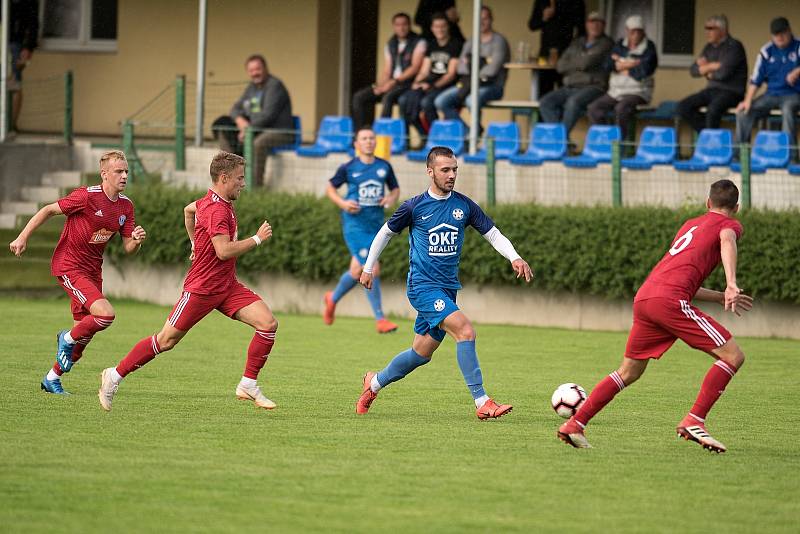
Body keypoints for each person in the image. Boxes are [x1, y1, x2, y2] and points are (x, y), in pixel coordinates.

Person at [558, 179, 753, 453]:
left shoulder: (690, 225)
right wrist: (731, 282)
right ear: (737, 207)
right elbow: (727, 240)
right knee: (733, 356)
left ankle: (575, 424)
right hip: (670, 300)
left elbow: (684, 277)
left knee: (629, 371)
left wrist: (720, 296)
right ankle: (694, 420)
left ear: (708, 203)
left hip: (647, 297)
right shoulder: (729, 226)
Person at [354, 146, 533, 419]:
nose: (451, 175)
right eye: (445, 170)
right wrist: (368, 268)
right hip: (422, 288)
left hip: (448, 289)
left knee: (420, 353)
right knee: (465, 331)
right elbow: (385, 233)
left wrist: (515, 257)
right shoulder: (414, 206)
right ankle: (482, 402)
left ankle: (374, 383)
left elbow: (493, 234)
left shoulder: (464, 205)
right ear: (430, 172)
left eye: (454, 170)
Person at [98, 152, 279, 412]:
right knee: (166, 341)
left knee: (268, 324)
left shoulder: (210, 201)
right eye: (240, 178)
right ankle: (114, 375)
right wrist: (258, 238)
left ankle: (248, 383)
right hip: (202, 289)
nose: (243, 183)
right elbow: (223, 251)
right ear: (224, 178)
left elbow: (188, 211)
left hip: (227, 286)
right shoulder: (216, 208)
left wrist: (194, 242)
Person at [8, 151, 146, 395]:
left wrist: (135, 240)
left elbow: (128, 248)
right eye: (119, 171)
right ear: (104, 174)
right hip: (70, 266)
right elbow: (48, 210)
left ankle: (51, 379)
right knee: (105, 315)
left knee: (84, 336)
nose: (124, 175)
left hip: (93, 271)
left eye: (126, 171)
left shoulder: (126, 205)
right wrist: (22, 236)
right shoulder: (86, 196)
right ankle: (66, 337)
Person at [323, 127, 401, 334]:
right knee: (371, 269)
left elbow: (395, 189)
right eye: (364, 138)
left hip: (376, 225)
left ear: (376, 143)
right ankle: (380, 319)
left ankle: (333, 298)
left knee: (357, 270)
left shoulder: (384, 166)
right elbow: (330, 188)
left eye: (371, 138)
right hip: (355, 225)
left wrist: (390, 199)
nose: (368, 141)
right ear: (357, 144)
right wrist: (343, 203)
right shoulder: (348, 167)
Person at [212, 54, 293, 186]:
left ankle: (255, 187)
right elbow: (235, 108)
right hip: (255, 129)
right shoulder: (252, 87)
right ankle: (230, 180)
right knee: (224, 130)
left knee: (257, 143)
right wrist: (240, 121)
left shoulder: (275, 86)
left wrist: (247, 130)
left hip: (279, 131)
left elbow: (268, 115)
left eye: (258, 69)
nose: (255, 73)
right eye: (251, 70)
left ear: (265, 68)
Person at [539, 11, 613, 137]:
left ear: (604, 25)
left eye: (598, 22)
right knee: (546, 102)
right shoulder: (577, 42)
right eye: (592, 22)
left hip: (593, 87)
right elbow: (560, 65)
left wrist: (573, 63)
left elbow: (586, 63)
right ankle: (562, 139)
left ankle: (559, 141)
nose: (595, 25)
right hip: (570, 86)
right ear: (586, 25)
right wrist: (578, 63)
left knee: (572, 102)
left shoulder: (606, 43)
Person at [434, 6, 510, 128]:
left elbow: (492, 70)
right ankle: (468, 133)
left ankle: (474, 135)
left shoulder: (499, 41)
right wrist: (483, 63)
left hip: (492, 86)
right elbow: (460, 67)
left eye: (485, 18)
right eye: (479, 19)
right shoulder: (472, 41)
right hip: (469, 85)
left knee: (471, 101)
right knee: (441, 101)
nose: (482, 22)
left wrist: (470, 63)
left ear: (491, 20)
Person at [587, 15, 658, 140]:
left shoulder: (649, 47)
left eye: (639, 31)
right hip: (615, 91)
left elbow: (643, 72)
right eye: (632, 32)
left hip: (638, 92)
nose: (635, 35)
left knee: (621, 108)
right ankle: (604, 141)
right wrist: (631, 64)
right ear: (627, 31)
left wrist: (622, 64)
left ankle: (621, 145)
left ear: (643, 32)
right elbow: (607, 65)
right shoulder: (620, 44)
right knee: (594, 108)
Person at [735, 17, 800, 153]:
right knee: (743, 112)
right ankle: (741, 154)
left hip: (793, 94)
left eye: (783, 33)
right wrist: (747, 101)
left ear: (789, 31)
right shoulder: (766, 51)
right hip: (771, 95)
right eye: (776, 34)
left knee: (788, 110)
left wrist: (797, 70)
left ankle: (789, 156)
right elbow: (755, 79)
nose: (779, 37)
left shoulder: (798, 45)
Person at [352, 13, 427, 129]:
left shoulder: (419, 41)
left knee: (388, 97)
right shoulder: (391, 43)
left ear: (409, 25)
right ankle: (361, 134)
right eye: (398, 25)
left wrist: (393, 82)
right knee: (359, 97)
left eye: (404, 24)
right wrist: (380, 86)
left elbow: (415, 67)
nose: (401, 28)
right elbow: (387, 69)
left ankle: (382, 135)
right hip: (392, 83)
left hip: (408, 84)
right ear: (393, 26)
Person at [677, 15, 747, 132]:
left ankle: (711, 143)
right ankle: (707, 134)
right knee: (683, 107)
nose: (707, 32)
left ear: (722, 30)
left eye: (711, 29)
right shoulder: (709, 47)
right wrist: (711, 66)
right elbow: (693, 70)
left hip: (732, 92)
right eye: (706, 28)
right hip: (712, 90)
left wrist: (705, 69)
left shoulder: (734, 46)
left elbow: (723, 74)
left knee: (713, 110)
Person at [400, 12, 461, 140]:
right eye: (436, 27)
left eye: (442, 26)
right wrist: (417, 82)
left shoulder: (455, 44)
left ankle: (437, 137)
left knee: (426, 102)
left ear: (448, 27)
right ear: (432, 28)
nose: (440, 29)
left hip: (446, 86)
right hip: (429, 84)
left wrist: (432, 85)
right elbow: (424, 70)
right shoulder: (431, 45)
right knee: (405, 100)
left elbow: (450, 74)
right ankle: (424, 136)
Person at [528, 0, 586, 96]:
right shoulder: (542, 1)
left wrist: (575, 50)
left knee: (564, 92)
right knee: (543, 93)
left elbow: (581, 30)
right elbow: (532, 25)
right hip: (545, 53)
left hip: (567, 54)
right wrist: (544, 17)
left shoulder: (576, 2)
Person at [9, 0, 39, 132]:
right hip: (5, 40)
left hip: (15, 45)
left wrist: (28, 47)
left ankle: (10, 125)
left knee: (13, 84)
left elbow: (33, 23)